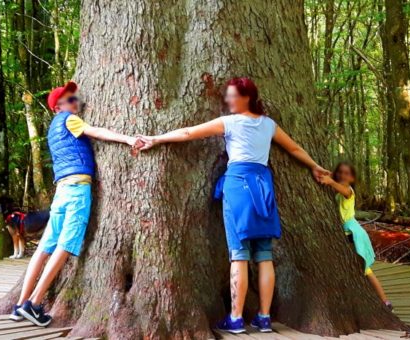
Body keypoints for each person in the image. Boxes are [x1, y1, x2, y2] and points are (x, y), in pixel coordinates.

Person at [137, 77, 329, 334]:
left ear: (246, 97)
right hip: (263, 187)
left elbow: (188, 133)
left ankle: (236, 318)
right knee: (264, 254)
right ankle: (263, 318)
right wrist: (314, 165)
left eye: (231, 96)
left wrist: (156, 138)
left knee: (239, 252)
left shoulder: (230, 123)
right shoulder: (268, 125)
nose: (227, 100)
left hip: (239, 185)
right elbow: (293, 148)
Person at [11, 81, 142, 327]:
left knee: (45, 247)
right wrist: (127, 139)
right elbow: (98, 132)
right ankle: (35, 303)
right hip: (76, 189)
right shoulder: (69, 120)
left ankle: (20, 304)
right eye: (71, 99)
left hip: (61, 191)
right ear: (58, 107)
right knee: (66, 244)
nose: (76, 101)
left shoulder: (51, 129)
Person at [320, 162, 392, 310]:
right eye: (340, 172)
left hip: (354, 234)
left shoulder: (349, 192)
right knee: (362, 269)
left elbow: (344, 191)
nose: (342, 175)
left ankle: (385, 301)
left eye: (346, 174)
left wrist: (331, 181)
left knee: (366, 269)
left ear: (352, 178)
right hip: (347, 233)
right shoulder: (338, 192)